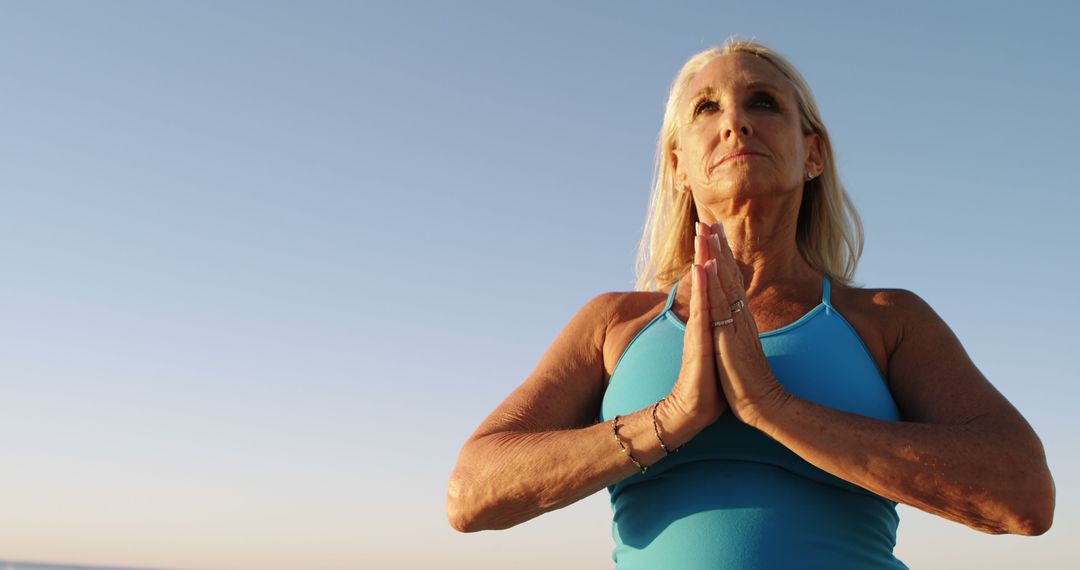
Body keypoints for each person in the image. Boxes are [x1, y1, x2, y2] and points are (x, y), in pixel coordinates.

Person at [445, 39, 1056, 568]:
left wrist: (772, 408)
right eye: (706, 108)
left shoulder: (886, 319)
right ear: (679, 165)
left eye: (764, 102)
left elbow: (1023, 493)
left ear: (812, 152)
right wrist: (672, 418)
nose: (736, 123)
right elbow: (471, 493)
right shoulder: (614, 323)